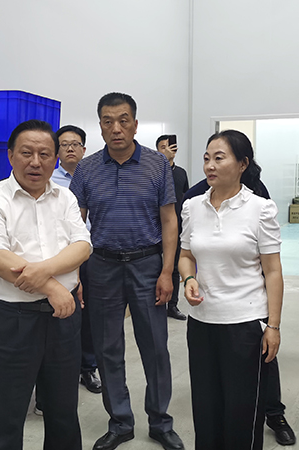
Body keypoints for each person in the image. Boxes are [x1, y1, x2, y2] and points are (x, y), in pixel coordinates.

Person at [70, 93, 184, 450]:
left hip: (147, 265)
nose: (116, 128)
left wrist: (167, 271)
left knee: (155, 346)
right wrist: (75, 276)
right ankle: (120, 421)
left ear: (135, 124)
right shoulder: (87, 169)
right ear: (100, 126)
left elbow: (169, 220)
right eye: (108, 121)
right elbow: (74, 225)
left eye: (123, 120)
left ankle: (160, 421)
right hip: (101, 265)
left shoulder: (156, 165)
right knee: (108, 348)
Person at [0, 120, 91, 450]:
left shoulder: (65, 197)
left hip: (62, 319)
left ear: (55, 159)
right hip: (10, 319)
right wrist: (53, 288)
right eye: (26, 153)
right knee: (3, 414)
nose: (35, 162)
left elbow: (82, 245)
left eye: (44, 154)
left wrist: (45, 274)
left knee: (63, 410)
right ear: (10, 156)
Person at [178, 129, 283, 450]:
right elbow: (185, 256)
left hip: (244, 325)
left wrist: (274, 326)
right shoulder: (192, 207)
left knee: (242, 413)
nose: (210, 165)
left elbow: (273, 271)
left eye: (219, 158)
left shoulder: (260, 208)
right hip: (202, 323)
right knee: (206, 410)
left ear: (242, 164)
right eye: (206, 158)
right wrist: (189, 279)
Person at [53, 124, 102, 394]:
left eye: (75, 144)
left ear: (84, 149)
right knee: (62, 311)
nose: (70, 149)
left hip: (92, 255)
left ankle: (88, 367)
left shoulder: (96, 177)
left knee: (91, 313)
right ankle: (62, 370)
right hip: (59, 256)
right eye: (64, 144)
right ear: (57, 150)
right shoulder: (48, 179)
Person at [156, 135, 189, 321]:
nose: (167, 150)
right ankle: (156, 302)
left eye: (169, 147)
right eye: (162, 148)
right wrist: (164, 161)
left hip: (176, 226)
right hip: (154, 226)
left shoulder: (181, 173)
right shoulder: (155, 171)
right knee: (155, 266)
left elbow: (186, 197)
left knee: (174, 267)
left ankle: (173, 305)